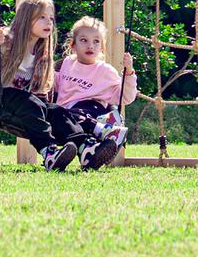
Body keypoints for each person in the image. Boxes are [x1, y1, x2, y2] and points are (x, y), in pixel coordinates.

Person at [0, 0, 88, 171]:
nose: (49, 23)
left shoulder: (41, 51)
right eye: (42, 18)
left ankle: (84, 147)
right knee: (30, 103)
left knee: (56, 111)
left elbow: (38, 92)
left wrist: (47, 111)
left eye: (51, 18)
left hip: (20, 100)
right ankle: (49, 152)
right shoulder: (6, 39)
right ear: (25, 19)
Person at [53, 17, 137, 171]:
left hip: (92, 110)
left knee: (73, 114)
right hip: (66, 115)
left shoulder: (105, 71)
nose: (90, 45)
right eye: (84, 40)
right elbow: (55, 84)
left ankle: (105, 129)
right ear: (73, 45)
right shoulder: (67, 63)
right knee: (58, 114)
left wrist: (129, 73)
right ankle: (90, 157)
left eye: (96, 41)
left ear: (102, 47)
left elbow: (126, 97)